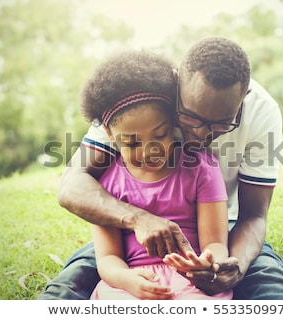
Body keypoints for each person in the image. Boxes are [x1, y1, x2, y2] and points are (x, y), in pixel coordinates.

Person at [38, 36, 283, 300]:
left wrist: (235, 265)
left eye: (221, 124)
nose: (201, 134)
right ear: (176, 84)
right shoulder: (140, 96)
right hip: (132, 238)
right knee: (65, 292)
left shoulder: (262, 111)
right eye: (190, 117)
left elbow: (254, 216)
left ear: (244, 98)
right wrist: (139, 219)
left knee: (275, 292)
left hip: (223, 232)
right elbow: (72, 185)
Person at [78, 50, 232, 300]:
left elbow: (215, 243)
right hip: (131, 282)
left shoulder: (203, 169)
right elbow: (108, 257)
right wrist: (127, 280)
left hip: (191, 282)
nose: (150, 151)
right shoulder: (107, 184)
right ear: (108, 133)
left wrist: (207, 263)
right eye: (131, 142)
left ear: (174, 123)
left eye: (160, 135)